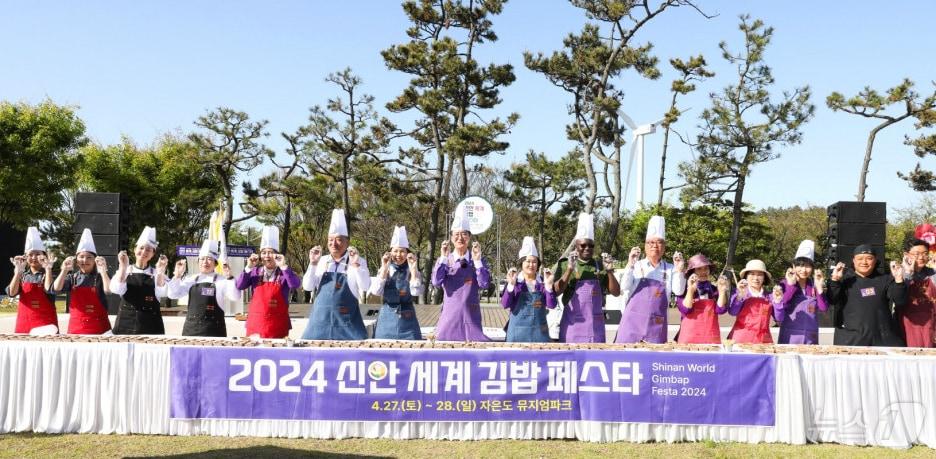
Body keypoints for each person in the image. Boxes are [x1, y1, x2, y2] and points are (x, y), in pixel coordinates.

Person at [302, 209, 371, 340]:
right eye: (330, 240)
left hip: (348, 325)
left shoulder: (358, 261)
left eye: (339, 240)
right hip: (319, 324)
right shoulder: (321, 261)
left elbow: (366, 286)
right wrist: (312, 264)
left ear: (347, 242)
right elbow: (307, 287)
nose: (334, 244)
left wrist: (356, 265)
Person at [615, 215, 685, 344]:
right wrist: (630, 264)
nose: (655, 246)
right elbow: (624, 287)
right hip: (632, 324)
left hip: (656, 326)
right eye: (651, 242)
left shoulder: (670, 269)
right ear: (645, 245)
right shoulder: (636, 265)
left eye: (659, 242)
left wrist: (680, 270)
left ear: (664, 246)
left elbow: (679, 291)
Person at [553, 212, 620, 343]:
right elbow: (556, 291)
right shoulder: (565, 263)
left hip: (595, 327)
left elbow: (616, 292)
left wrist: (610, 271)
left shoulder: (600, 265)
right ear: (576, 245)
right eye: (583, 245)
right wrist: (569, 270)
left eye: (591, 245)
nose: (587, 248)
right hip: (572, 326)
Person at [431, 208, 491, 341]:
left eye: (464, 234)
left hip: (471, 317)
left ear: (469, 237)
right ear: (451, 238)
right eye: (456, 235)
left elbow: (485, 284)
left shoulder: (479, 260)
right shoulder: (446, 260)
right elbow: (436, 282)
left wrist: (477, 261)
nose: (460, 238)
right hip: (449, 317)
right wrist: (443, 258)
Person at [829, 245, 907, 347]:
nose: (864, 262)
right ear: (854, 260)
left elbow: (900, 300)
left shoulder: (885, 280)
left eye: (869, 258)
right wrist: (835, 280)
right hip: (852, 339)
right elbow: (832, 299)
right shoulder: (844, 280)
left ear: (875, 260)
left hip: (882, 339)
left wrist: (899, 280)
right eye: (860, 259)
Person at [237, 226, 301, 338]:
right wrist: (248, 267)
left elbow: (295, 284)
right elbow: (240, 285)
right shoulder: (255, 272)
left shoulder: (284, 273)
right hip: (256, 325)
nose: (267, 256)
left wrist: (284, 266)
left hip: (278, 326)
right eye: (264, 252)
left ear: (277, 255)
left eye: (270, 252)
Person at [167, 239, 241, 337]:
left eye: (209, 259)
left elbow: (235, 297)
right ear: (198, 262)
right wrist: (177, 276)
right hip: (191, 330)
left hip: (214, 331)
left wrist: (230, 278)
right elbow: (173, 295)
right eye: (202, 259)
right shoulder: (191, 279)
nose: (205, 262)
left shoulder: (222, 280)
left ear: (215, 263)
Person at [110, 226, 169, 335]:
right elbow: (116, 289)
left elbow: (163, 293)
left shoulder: (157, 273)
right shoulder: (125, 270)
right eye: (141, 248)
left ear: (153, 254)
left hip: (151, 326)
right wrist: (123, 267)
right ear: (134, 249)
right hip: (125, 325)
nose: (144, 252)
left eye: (148, 250)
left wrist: (160, 272)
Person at [53, 228, 112, 334]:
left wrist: (103, 271)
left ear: (95, 260)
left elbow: (109, 291)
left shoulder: (101, 276)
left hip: (100, 328)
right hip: (76, 328)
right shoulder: (72, 278)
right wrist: (64, 270)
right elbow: (56, 289)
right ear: (76, 260)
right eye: (81, 257)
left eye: (89, 257)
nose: (85, 260)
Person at [368, 226, 423, 340]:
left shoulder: (413, 270)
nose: (398, 255)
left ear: (407, 253)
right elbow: (376, 292)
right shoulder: (385, 269)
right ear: (390, 252)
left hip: (408, 319)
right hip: (386, 318)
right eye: (395, 251)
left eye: (402, 251)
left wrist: (413, 271)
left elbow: (416, 292)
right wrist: (384, 268)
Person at [502, 237, 556, 342]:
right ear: (522, 263)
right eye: (528, 261)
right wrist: (511, 285)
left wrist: (549, 286)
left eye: (534, 262)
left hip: (540, 334)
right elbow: (505, 304)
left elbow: (551, 305)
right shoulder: (515, 281)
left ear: (538, 264)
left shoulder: (543, 282)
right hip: (517, 335)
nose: (531, 265)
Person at [775, 240, 828, 345]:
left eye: (808, 266)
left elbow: (823, 308)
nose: (804, 270)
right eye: (800, 265)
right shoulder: (784, 284)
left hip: (810, 336)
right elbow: (781, 305)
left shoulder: (813, 284)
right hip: (789, 336)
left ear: (812, 268)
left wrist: (819, 287)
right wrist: (791, 286)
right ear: (793, 267)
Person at [7, 227, 58, 334]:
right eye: (30, 254)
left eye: (38, 254)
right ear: (25, 257)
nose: (34, 257)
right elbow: (12, 293)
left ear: (44, 256)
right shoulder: (22, 276)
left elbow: (50, 290)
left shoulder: (48, 274)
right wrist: (18, 272)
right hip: (24, 324)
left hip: (46, 325)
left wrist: (48, 269)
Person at [675, 253, 729, 344]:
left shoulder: (714, 289)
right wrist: (691, 290)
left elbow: (721, 310)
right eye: (699, 269)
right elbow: (685, 309)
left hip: (711, 338)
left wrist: (722, 291)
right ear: (692, 272)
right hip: (689, 339)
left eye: (706, 268)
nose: (703, 272)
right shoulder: (683, 290)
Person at [727, 259, 782, 344]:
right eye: (752, 274)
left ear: (764, 278)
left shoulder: (770, 296)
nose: (756, 278)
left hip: (763, 341)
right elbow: (733, 312)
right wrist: (740, 296)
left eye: (760, 275)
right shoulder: (740, 292)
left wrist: (778, 301)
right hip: (740, 339)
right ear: (746, 276)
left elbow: (779, 318)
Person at [897, 238, 935, 347]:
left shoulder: (933, 273)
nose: (921, 257)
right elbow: (898, 295)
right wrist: (908, 273)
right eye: (916, 254)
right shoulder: (899, 273)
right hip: (907, 324)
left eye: (925, 253)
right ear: (906, 255)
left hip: (930, 324)